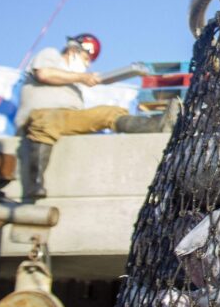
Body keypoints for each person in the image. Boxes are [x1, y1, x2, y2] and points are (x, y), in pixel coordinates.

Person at [16, 34, 177, 200]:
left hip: (66, 119)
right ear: (73, 50)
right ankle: (35, 183)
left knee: (108, 112)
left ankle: (155, 126)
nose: (87, 64)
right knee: (46, 123)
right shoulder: (51, 55)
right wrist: (82, 77)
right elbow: (44, 74)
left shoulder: (73, 84)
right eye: (85, 58)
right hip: (41, 117)